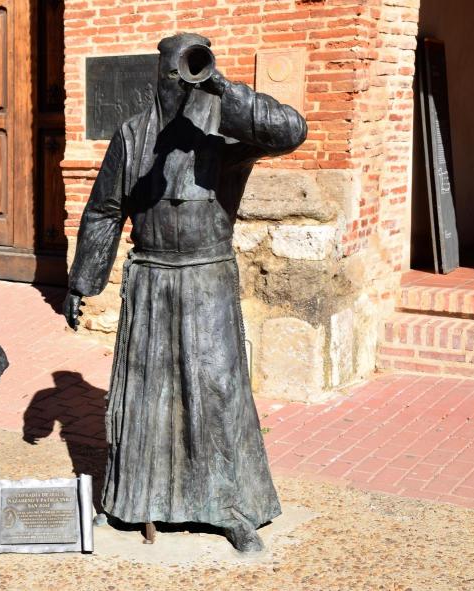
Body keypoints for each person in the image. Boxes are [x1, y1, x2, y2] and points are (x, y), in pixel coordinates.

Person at [64, 33, 307, 552]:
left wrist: (224, 88)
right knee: (144, 394)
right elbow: (105, 209)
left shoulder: (226, 128)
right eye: (174, 73)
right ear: (159, 76)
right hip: (151, 278)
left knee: (215, 390)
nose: (182, 83)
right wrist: (83, 280)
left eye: (192, 72)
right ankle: (134, 499)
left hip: (206, 278)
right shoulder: (132, 134)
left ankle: (229, 505)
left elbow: (291, 131)